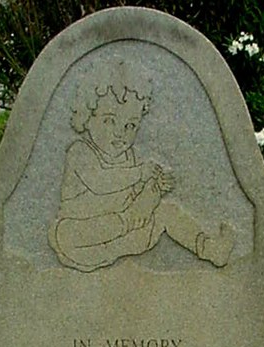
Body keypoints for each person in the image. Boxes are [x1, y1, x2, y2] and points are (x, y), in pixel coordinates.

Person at [49, 63, 234, 272]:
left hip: (122, 240)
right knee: (65, 232)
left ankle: (210, 248)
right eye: (110, 121)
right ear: (86, 116)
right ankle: (125, 221)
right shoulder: (79, 151)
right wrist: (140, 174)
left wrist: (154, 190)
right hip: (82, 240)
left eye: (130, 125)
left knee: (167, 210)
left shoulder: (131, 157)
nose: (120, 133)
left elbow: (138, 197)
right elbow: (100, 182)